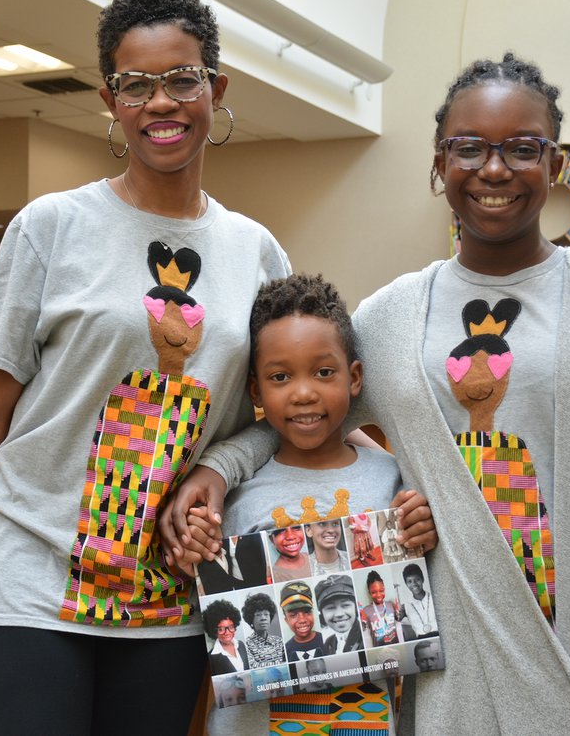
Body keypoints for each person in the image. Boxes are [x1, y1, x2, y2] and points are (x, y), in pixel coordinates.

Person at [181, 53, 570, 735]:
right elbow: (303, 414)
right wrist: (220, 468)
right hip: (444, 665)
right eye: (469, 148)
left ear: (553, 164)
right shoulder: (391, 317)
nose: (494, 168)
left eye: (523, 148)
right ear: (438, 163)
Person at [0, 0, 291, 736]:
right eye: (135, 86)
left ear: (216, 88)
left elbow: (280, 418)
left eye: (181, 79)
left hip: (168, 603)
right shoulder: (51, 227)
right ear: (111, 102)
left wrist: (216, 469)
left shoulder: (257, 252)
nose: (161, 103)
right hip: (22, 584)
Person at [187, 273, 437, 736]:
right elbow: (212, 605)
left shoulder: (392, 479)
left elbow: (412, 593)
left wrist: (421, 531)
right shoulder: (234, 494)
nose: (304, 392)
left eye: (324, 372)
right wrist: (194, 549)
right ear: (256, 391)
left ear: (355, 377)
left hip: (362, 720)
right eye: (280, 377)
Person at [316, 573, 364, 655]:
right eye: (330, 608)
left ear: (355, 608)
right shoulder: (328, 643)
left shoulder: (364, 638)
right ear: (322, 614)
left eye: (345, 605)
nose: (339, 614)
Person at [205, 598, 250, 675]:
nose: (227, 632)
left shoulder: (241, 645)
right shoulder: (211, 658)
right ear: (214, 632)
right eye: (221, 629)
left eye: (231, 627)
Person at [359, 569, 403, 647]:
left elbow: (399, 619)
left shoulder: (391, 604)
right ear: (369, 592)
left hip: (396, 646)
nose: (378, 595)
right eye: (374, 592)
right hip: (379, 650)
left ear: (384, 589)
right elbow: (362, 629)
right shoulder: (365, 611)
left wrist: (399, 609)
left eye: (381, 590)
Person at [241, 592, 286, 668]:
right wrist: (281, 664)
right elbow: (254, 667)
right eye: (258, 615)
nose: (263, 618)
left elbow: (289, 661)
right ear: (251, 619)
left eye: (266, 614)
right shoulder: (247, 645)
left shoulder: (279, 641)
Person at [399, 563, 438, 638]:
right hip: (421, 640)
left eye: (417, 579)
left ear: (422, 579)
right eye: (409, 581)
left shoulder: (435, 597)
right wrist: (398, 615)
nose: (414, 584)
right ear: (406, 584)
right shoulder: (406, 606)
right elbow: (398, 621)